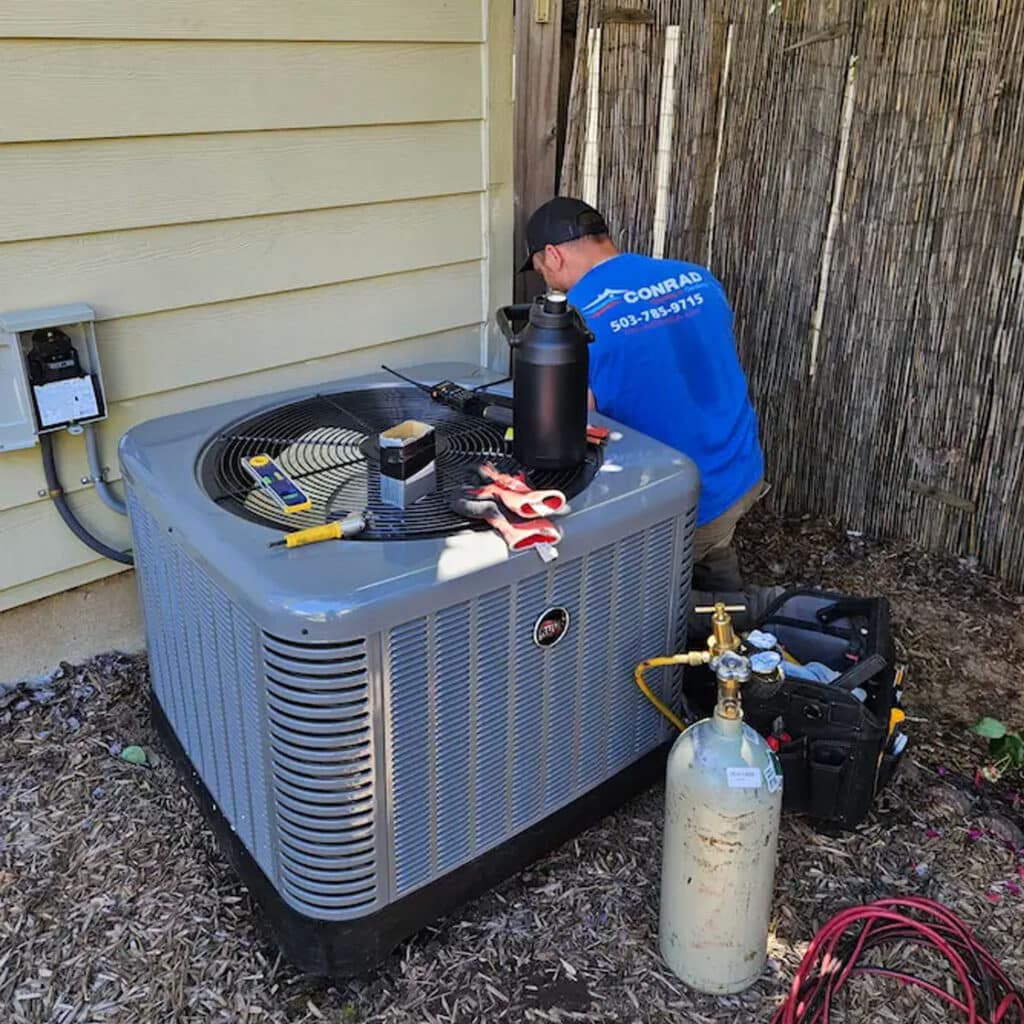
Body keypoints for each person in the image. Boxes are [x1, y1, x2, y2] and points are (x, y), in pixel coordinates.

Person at [521, 196, 768, 598]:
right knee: (708, 547)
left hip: (682, 498)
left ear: (553, 255)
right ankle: (717, 570)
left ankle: (700, 611)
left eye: (540, 270)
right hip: (742, 470)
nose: (545, 280)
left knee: (645, 599)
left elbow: (570, 424)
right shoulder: (696, 277)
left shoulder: (576, 318)